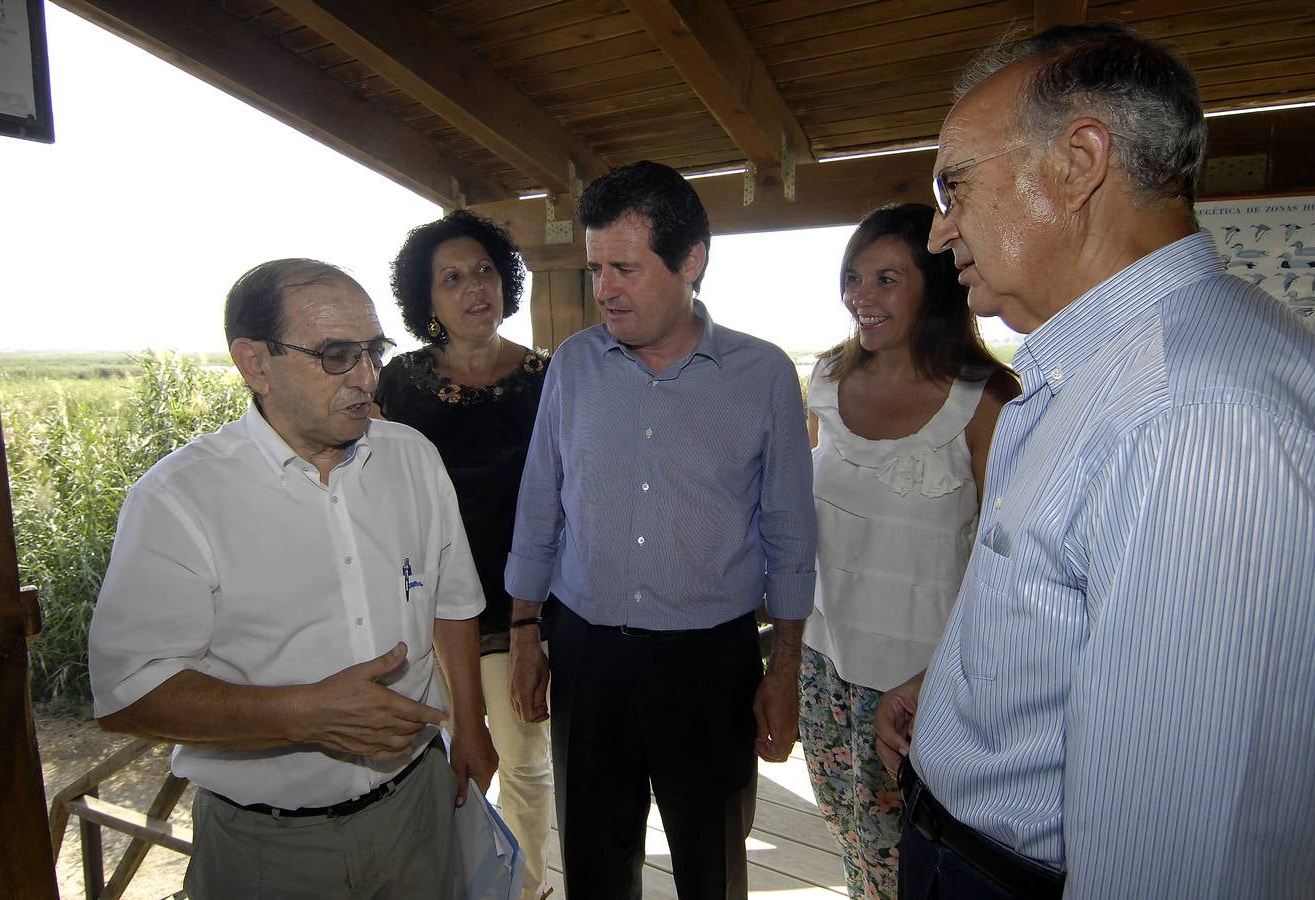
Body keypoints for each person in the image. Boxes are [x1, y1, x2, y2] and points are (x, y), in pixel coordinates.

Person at [873, 23, 1315, 900]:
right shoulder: (1093, 373)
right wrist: (966, 691)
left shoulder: (1190, 418)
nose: (937, 231)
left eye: (953, 185)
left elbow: (1182, 851)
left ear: (1078, 163)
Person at [88, 259, 498, 899]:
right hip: (266, 850)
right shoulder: (179, 499)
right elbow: (127, 692)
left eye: (373, 352)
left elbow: (452, 601)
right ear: (255, 363)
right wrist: (302, 714)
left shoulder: (412, 458)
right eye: (337, 356)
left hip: (418, 810)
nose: (366, 378)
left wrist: (471, 726)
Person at [505, 160, 816, 900]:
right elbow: (539, 501)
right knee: (594, 859)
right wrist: (524, 633)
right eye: (594, 269)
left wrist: (784, 671)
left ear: (691, 262)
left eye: (624, 267)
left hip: (711, 663)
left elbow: (788, 528)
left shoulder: (762, 374)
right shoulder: (574, 366)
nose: (604, 289)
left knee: (711, 861)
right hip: (587, 654)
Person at [799, 202, 1017, 899]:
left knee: (918, 865)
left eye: (886, 279)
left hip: (924, 688)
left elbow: (1004, 559)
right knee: (854, 849)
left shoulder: (985, 402)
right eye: (853, 277)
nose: (860, 297)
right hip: (823, 669)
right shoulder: (825, 386)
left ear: (936, 286)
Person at [374, 209, 554, 900]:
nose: (472, 286)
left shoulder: (550, 378)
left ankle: (527, 890)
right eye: (450, 278)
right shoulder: (397, 384)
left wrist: (534, 619)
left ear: (505, 282)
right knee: (435, 767)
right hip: (423, 615)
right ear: (427, 301)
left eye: (483, 270)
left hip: (520, 610)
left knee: (526, 768)